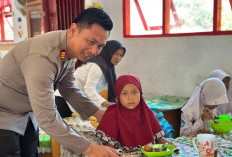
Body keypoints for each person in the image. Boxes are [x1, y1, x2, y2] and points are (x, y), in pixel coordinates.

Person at [0, 8, 122, 157]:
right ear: (73, 29)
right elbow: (48, 118)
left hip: (27, 116)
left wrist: (98, 113)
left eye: (100, 46)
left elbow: (69, 89)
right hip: (4, 116)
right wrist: (90, 149)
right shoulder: (42, 58)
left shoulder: (66, 50)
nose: (94, 51)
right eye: (91, 42)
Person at [95, 74, 173, 153]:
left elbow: (159, 138)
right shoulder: (112, 113)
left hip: (146, 153)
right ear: (118, 96)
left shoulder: (147, 112)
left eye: (134, 92)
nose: (130, 97)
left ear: (140, 93)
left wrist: (166, 143)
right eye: (124, 93)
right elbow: (110, 144)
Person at [74, 40, 126, 108]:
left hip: (76, 100)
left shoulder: (108, 67)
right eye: (116, 54)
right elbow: (89, 89)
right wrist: (105, 103)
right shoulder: (97, 66)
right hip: (65, 101)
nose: (118, 58)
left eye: (121, 55)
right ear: (109, 52)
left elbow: (112, 88)